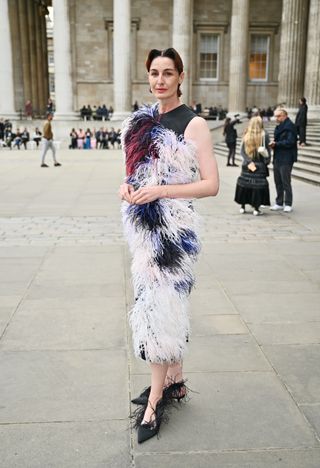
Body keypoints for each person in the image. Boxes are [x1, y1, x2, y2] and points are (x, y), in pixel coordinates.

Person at [119, 48, 219, 444]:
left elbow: (210, 185)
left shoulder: (193, 124)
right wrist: (126, 187)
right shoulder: (142, 122)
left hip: (174, 236)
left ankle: (155, 401)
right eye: (154, 73)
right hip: (143, 230)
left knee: (160, 312)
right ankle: (175, 382)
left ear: (181, 76)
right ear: (148, 77)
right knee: (163, 306)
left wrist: (161, 190)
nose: (160, 80)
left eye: (168, 73)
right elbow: (131, 172)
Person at [234, 116, 271, 215]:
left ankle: (242, 206)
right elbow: (267, 150)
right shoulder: (265, 134)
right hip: (260, 165)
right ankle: (256, 208)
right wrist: (267, 161)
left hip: (247, 165)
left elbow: (242, 151)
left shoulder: (247, 134)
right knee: (257, 187)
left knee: (245, 184)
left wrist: (249, 161)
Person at [269, 108, 297, 213]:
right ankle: (279, 202)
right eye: (276, 116)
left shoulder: (290, 126)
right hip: (278, 157)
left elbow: (290, 142)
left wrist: (276, 144)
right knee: (278, 181)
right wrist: (274, 144)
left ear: (284, 115)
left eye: (278, 116)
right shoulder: (280, 126)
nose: (276, 118)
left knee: (286, 182)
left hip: (286, 158)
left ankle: (288, 203)